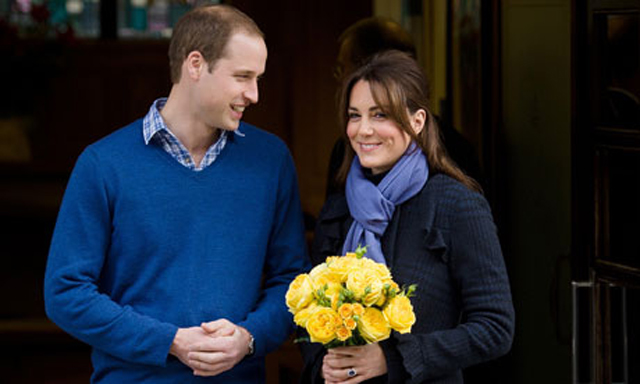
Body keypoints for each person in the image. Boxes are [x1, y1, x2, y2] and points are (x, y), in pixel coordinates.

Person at [44, 4, 308, 383]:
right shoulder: (104, 164)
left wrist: (248, 339)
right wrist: (170, 341)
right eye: (243, 76)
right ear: (196, 65)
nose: (254, 94)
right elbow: (65, 293)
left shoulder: (271, 161)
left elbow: (293, 279)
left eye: (258, 78)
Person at [300, 50, 514, 383]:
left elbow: (495, 328)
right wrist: (321, 366)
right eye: (355, 115)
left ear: (417, 120)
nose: (363, 129)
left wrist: (392, 358)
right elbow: (308, 315)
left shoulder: (456, 204)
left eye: (380, 114)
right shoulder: (338, 209)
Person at [325, 17, 483, 198]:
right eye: (354, 116)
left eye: (342, 68)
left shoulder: (456, 157)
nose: (339, 78)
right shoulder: (346, 151)